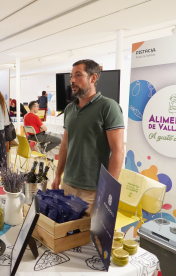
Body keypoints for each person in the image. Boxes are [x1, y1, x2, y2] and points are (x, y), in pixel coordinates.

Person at [51, 59, 124, 211]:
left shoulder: (109, 107)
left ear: (93, 78)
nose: (72, 80)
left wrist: (108, 189)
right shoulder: (69, 109)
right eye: (71, 76)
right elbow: (65, 145)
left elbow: (118, 150)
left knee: (88, 234)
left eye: (78, 75)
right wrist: (58, 175)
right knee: (66, 233)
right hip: (68, 184)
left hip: (93, 189)